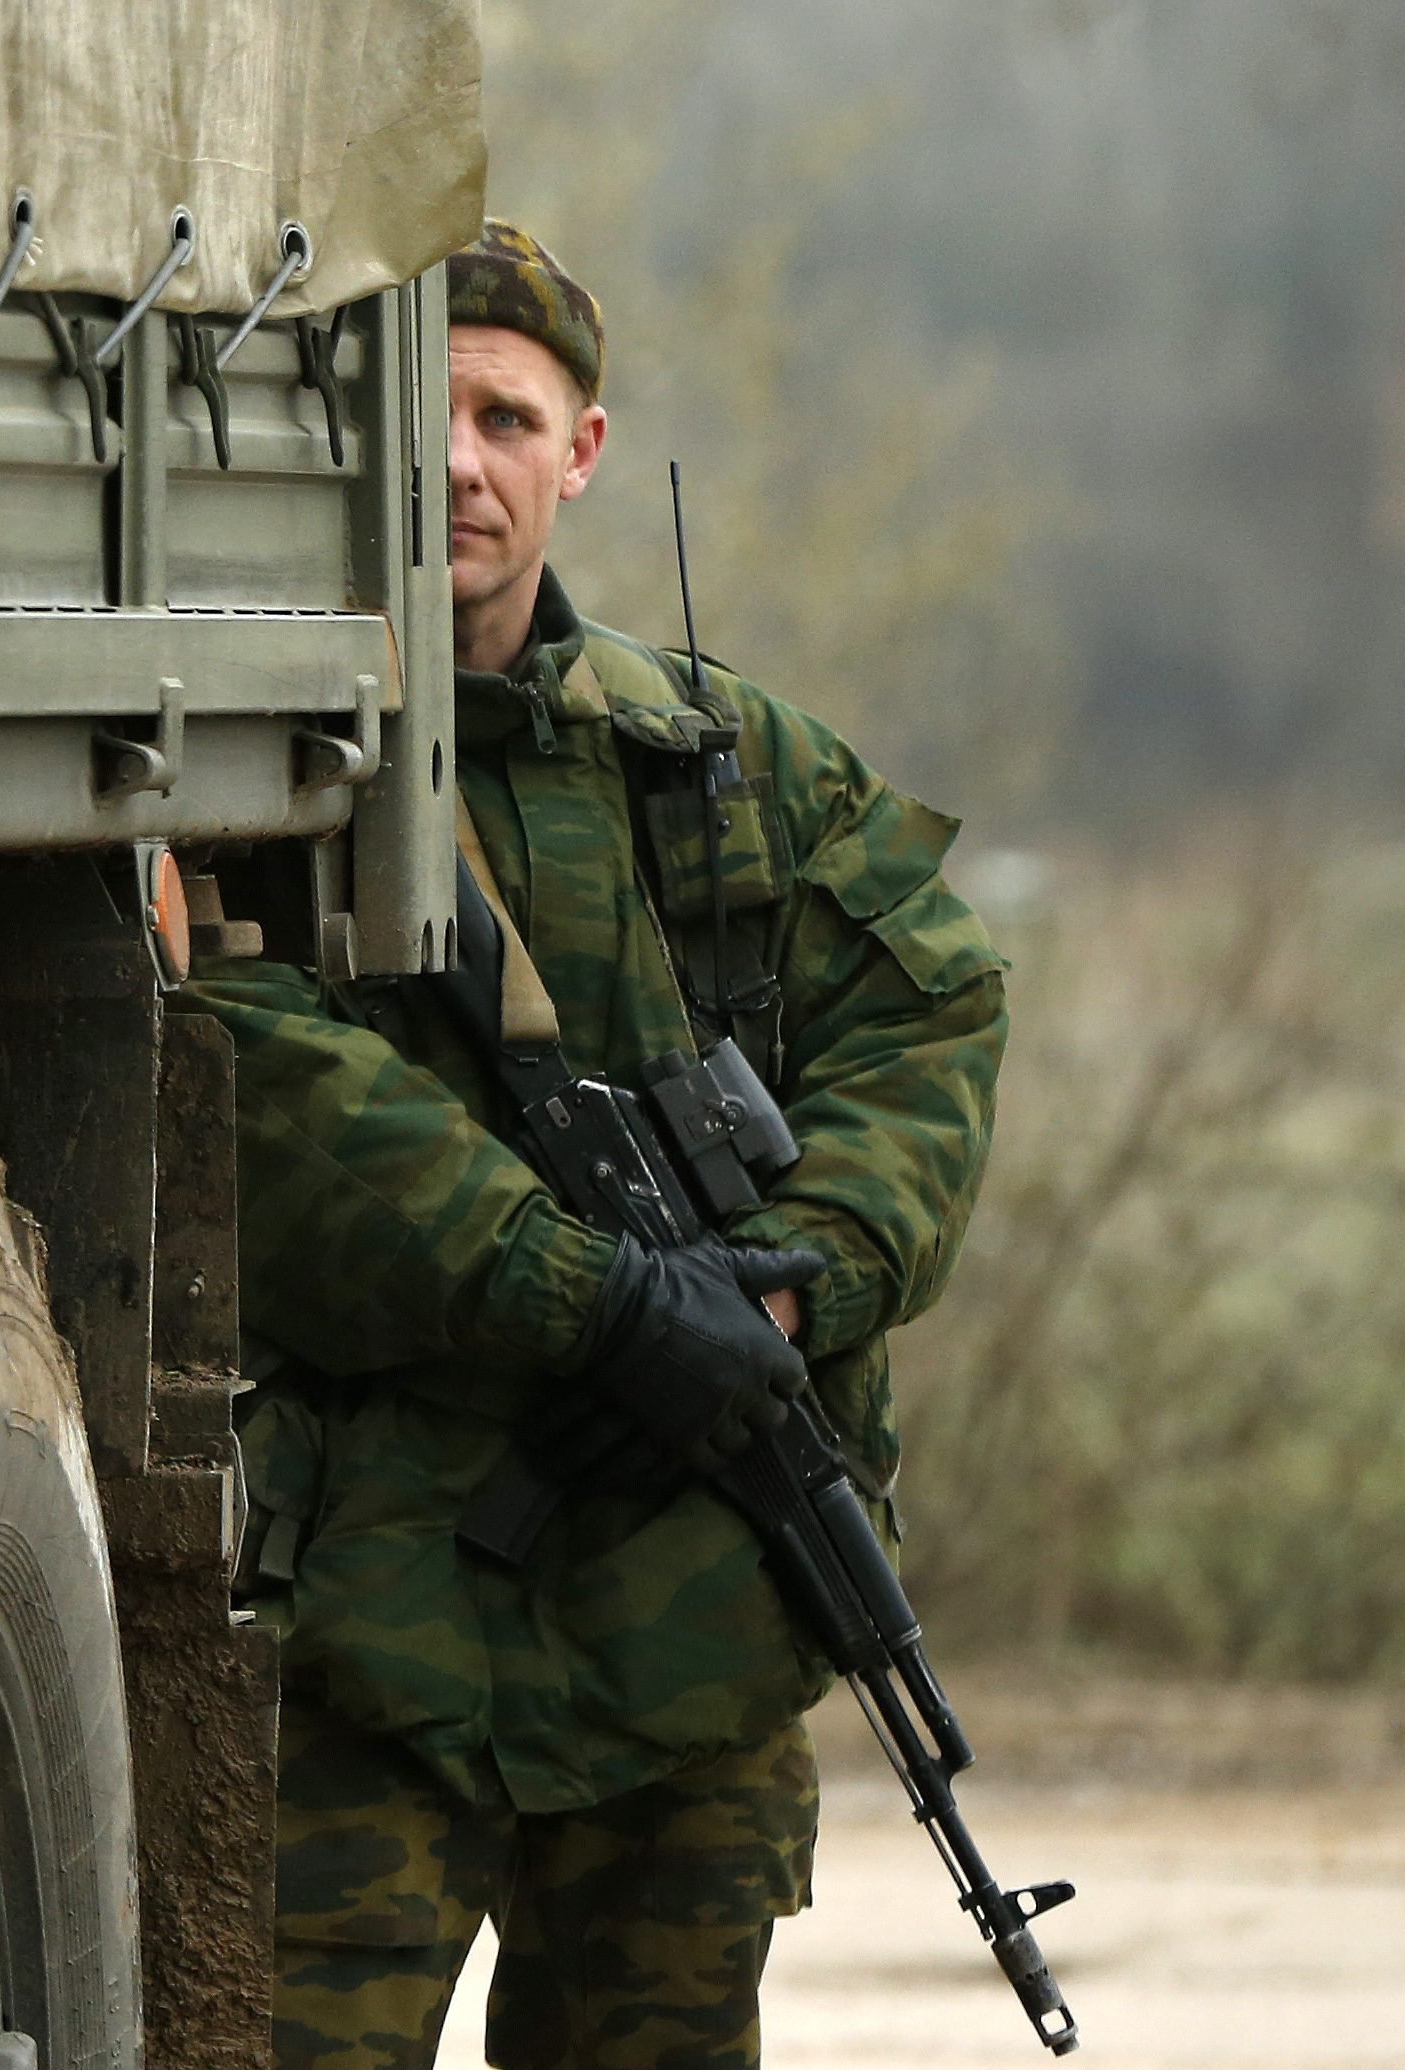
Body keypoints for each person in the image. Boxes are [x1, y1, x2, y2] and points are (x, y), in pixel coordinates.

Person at [181, 220, 1009, 2070]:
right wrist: (601, 1302)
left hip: (688, 1629)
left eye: (506, 415)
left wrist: (797, 1284)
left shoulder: (727, 765)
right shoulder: (249, 757)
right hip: (372, 1627)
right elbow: (250, 1069)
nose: (460, 462)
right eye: (426, 412)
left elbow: (928, 1014)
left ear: (582, 450)